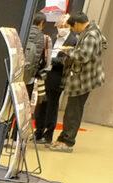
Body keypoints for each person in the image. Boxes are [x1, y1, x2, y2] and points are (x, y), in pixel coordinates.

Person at [51, 11, 107, 152]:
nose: (72, 30)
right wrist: (72, 49)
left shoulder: (91, 35)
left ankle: (68, 142)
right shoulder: (90, 31)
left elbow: (83, 56)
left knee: (73, 111)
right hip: (82, 77)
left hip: (83, 80)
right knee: (71, 110)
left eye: (72, 27)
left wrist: (68, 51)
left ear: (76, 24)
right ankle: (63, 138)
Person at [34, 14, 75, 145]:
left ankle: (48, 134)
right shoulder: (52, 37)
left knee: (52, 105)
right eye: (60, 26)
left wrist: (51, 60)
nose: (62, 28)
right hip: (45, 74)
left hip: (58, 76)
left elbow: (66, 60)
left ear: (70, 27)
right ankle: (38, 131)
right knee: (41, 104)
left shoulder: (73, 40)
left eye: (65, 26)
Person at [23, 12, 50, 97]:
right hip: (30, 77)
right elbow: (47, 63)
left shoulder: (23, 31)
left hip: (16, 74)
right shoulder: (45, 38)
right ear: (42, 23)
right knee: (25, 99)